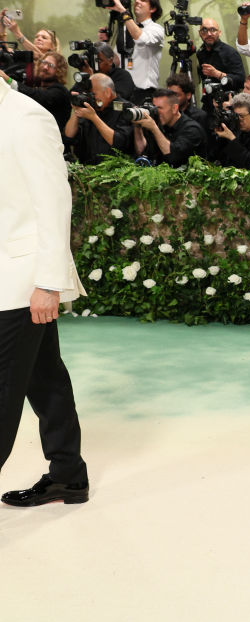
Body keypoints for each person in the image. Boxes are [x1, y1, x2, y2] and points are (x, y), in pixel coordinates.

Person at [0, 75, 90, 507]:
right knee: (45, 377)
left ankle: (68, 474)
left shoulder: (26, 117)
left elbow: (55, 202)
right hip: (10, 277)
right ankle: (68, 476)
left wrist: (49, 284)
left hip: (22, 283)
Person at [64, 73, 133, 164]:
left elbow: (118, 142)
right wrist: (77, 110)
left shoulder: (126, 109)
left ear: (108, 92)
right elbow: (68, 137)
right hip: (87, 168)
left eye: (93, 94)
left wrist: (94, 118)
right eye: (87, 94)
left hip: (115, 168)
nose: (90, 98)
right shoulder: (90, 108)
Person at [131, 88, 205, 167]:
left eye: (159, 108)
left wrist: (154, 129)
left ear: (174, 108)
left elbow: (173, 157)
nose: (156, 111)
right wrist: (137, 127)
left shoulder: (192, 129)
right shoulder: (160, 124)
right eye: (153, 107)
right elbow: (141, 152)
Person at [108, 0, 164, 104]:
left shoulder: (156, 29)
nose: (137, 1)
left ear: (152, 8)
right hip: (122, 92)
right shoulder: (125, 29)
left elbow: (141, 39)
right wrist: (105, 43)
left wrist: (123, 12)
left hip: (143, 94)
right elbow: (116, 61)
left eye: (143, 0)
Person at [0, 51, 70, 131]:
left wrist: (9, 80)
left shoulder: (60, 91)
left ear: (59, 71)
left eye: (50, 65)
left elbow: (38, 96)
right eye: (44, 62)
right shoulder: (40, 86)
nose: (45, 67)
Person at [0, 12, 59, 86]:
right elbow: (5, 52)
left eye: (44, 38)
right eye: (36, 37)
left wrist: (16, 32)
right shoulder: (25, 55)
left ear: (53, 46)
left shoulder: (51, 64)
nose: (39, 39)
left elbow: (39, 56)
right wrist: (2, 26)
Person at [196, 18, 245, 95]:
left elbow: (241, 81)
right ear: (199, 33)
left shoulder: (230, 52)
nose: (209, 34)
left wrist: (218, 74)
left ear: (219, 33)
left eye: (212, 30)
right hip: (208, 98)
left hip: (228, 99)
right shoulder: (200, 53)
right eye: (204, 30)